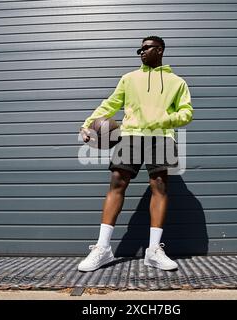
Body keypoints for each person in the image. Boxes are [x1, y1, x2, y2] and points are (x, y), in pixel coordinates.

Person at [78, 36, 193, 272]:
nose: (141, 52)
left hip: (162, 137)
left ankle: (153, 251)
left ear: (159, 50)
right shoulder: (129, 78)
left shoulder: (177, 82)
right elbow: (110, 104)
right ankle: (102, 248)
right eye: (139, 49)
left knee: (159, 185)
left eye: (146, 48)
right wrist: (88, 122)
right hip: (130, 135)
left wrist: (165, 119)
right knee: (117, 183)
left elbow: (186, 112)